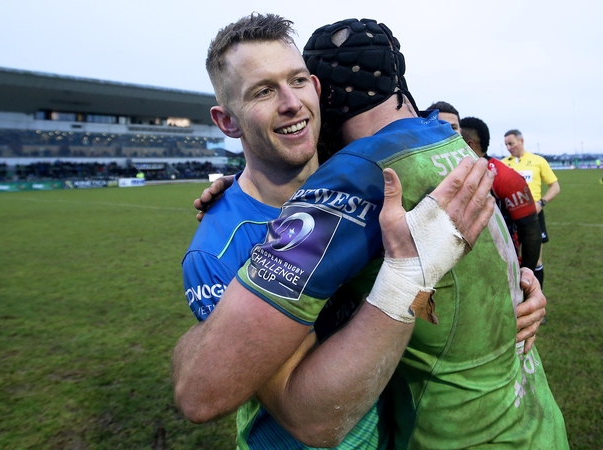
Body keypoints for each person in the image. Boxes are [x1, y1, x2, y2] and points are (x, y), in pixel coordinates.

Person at [173, 14, 548, 449]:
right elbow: (296, 416)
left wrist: (515, 296)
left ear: (317, 88)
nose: (291, 102)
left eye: (297, 80)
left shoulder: (368, 184)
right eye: (262, 91)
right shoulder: (223, 245)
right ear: (228, 122)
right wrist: (409, 277)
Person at [461, 116, 542, 270]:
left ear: (468, 144)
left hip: (502, 268)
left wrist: (527, 275)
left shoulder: (504, 177)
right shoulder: (450, 173)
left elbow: (531, 231)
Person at [503, 129, 561, 289]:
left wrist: (541, 203)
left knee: (535, 260)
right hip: (510, 217)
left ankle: (536, 299)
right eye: (506, 145)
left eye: (511, 143)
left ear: (521, 141)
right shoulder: (503, 163)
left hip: (532, 215)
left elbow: (555, 187)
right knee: (511, 258)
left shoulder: (538, 161)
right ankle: (516, 299)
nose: (509, 147)